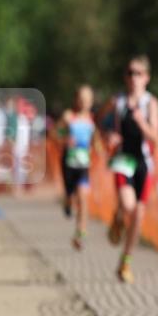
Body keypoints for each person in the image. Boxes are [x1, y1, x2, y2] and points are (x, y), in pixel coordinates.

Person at [95, 56, 158, 283]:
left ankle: (126, 262)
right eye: (130, 73)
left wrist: (142, 123)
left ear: (147, 78)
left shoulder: (151, 103)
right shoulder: (117, 101)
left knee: (139, 215)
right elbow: (97, 120)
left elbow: (157, 138)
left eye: (139, 73)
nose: (134, 78)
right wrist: (107, 135)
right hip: (123, 159)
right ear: (125, 77)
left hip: (144, 163)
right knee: (128, 205)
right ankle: (119, 214)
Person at [60, 85, 96, 250]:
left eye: (87, 99)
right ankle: (67, 202)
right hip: (68, 163)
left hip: (83, 164)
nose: (84, 102)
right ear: (76, 99)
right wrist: (65, 138)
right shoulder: (69, 116)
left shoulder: (91, 119)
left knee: (83, 198)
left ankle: (80, 233)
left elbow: (96, 141)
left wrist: (97, 149)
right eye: (81, 99)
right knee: (70, 196)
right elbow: (54, 132)